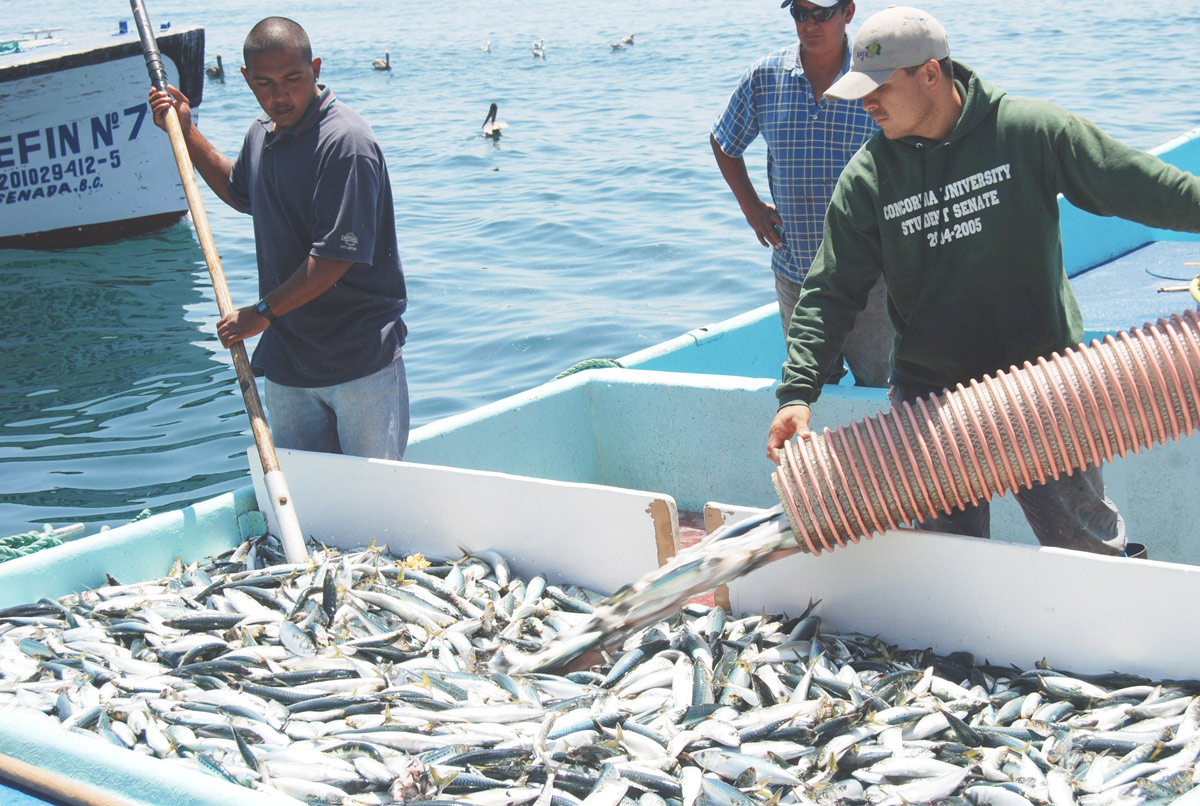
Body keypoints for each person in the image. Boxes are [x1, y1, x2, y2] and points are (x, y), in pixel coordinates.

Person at [766, 6, 1200, 555]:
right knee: (951, 568)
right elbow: (829, 292)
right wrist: (797, 393)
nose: (865, 102)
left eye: (880, 87)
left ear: (930, 73)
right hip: (932, 402)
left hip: (1043, 381)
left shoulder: (1028, 131)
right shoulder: (868, 179)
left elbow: (1140, 185)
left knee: (1091, 552)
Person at [150, 17, 410, 460]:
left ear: (316, 69)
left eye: (292, 79)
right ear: (247, 79)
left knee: (372, 506)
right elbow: (239, 191)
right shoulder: (262, 133)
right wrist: (187, 132)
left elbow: (332, 259)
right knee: (308, 502)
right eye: (265, 83)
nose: (279, 95)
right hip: (291, 363)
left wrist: (261, 313)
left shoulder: (345, 142)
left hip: (359, 363)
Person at [710, 0, 893, 388]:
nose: (810, 24)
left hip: (869, 275)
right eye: (800, 13)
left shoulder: (875, 78)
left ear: (848, 12)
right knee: (811, 388)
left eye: (822, 13)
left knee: (880, 385)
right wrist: (752, 208)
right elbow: (724, 141)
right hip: (796, 272)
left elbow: (915, 155)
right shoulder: (766, 76)